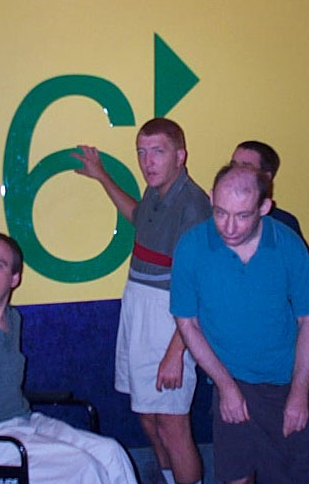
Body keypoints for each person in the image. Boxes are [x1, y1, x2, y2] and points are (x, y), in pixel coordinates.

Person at [0, 232, 137, 484]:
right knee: (81, 467)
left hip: (20, 422)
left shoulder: (11, 318)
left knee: (111, 453)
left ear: (15, 278)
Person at [72, 118, 209, 484]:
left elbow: (200, 290)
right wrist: (102, 176)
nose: (148, 161)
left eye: (158, 152)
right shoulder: (156, 193)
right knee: (148, 417)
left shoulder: (193, 206)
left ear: (180, 155)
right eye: (142, 152)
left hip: (170, 323)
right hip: (138, 314)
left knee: (172, 425)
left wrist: (176, 352)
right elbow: (136, 215)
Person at [171, 164, 309, 484]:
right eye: (220, 212)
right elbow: (187, 324)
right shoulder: (191, 246)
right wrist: (226, 387)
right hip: (231, 379)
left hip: (285, 383)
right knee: (235, 476)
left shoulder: (287, 243)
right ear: (211, 198)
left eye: (242, 216)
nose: (228, 227)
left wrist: (299, 393)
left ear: (264, 207)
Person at [231, 140, 301, 235]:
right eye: (233, 165)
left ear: (266, 177)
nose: (234, 172)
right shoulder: (212, 214)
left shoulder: (283, 224)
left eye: (245, 167)